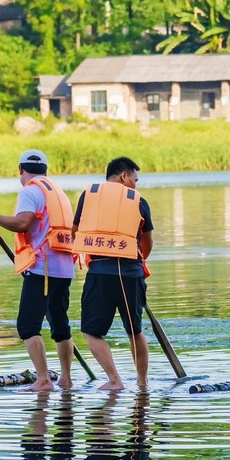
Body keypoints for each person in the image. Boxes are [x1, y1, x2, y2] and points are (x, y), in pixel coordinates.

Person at [0, 149, 78, 393]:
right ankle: (65, 379)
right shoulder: (57, 191)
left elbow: (22, 223)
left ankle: (43, 380)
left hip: (42, 269)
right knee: (60, 326)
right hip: (64, 269)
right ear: (46, 169)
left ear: (20, 169)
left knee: (28, 326)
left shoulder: (30, 190)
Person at [71, 156, 153, 392]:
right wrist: (138, 263)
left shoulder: (89, 194)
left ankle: (114, 379)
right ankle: (142, 383)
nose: (136, 185)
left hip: (100, 272)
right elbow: (147, 241)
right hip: (130, 273)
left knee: (91, 331)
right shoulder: (139, 200)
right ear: (124, 176)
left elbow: (76, 230)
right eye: (135, 179)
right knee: (134, 330)